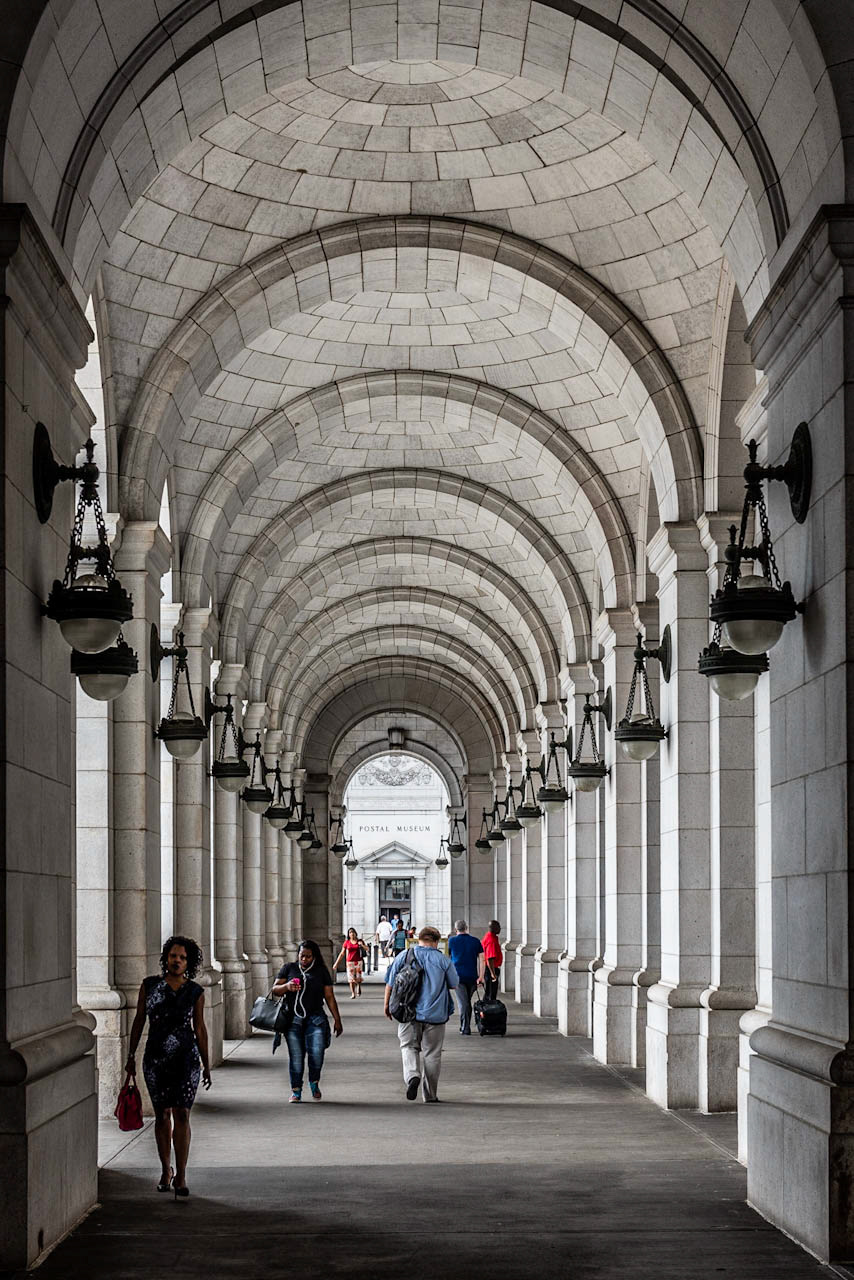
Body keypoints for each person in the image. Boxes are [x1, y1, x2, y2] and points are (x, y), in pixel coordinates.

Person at [124, 935, 211, 1199]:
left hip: (186, 1059)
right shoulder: (150, 986)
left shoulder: (195, 992)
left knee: (182, 1113)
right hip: (156, 1058)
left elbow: (200, 1029)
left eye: (183, 957)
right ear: (166, 957)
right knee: (162, 1114)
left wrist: (206, 1064)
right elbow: (139, 1021)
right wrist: (130, 1056)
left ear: (189, 963)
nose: (177, 961)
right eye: (173, 955)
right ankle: (165, 1170)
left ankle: (182, 1174)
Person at [384, 925, 458, 1103]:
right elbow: (454, 983)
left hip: (408, 1011)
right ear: (435, 941)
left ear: (419, 939)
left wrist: (386, 1004)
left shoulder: (405, 955)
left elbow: (390, 981)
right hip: (435, 1014)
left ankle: (412, 1076)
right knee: (432, 1054)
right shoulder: (443, 960)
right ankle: (430, 1095)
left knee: (408, 1046)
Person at [272, 939, 343, 1101]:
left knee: (316, 1054)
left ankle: (314, 1082)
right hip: (293, 1020)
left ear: (314, 957)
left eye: (308, 957)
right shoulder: (288, 968)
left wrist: (337, 1020)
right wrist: (287, 987)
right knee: (296, 1056)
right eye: (301, 956)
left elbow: (329, 997)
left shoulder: (321, 971)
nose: (304, 960)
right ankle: (296, 1090)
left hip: (315, 1019)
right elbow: (275, 989)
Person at [447, 919, 484, 1036]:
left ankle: (465, 1027)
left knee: (464, 1003)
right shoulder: (475, 941)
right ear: (466, 928)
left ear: (455, 929)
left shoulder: (451, 941)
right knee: (466, 1001)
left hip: (458, 977)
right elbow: (482, 960)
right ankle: (465, 1025)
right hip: (472, 977)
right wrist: (481, 977)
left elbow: (447, 960)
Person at [333, 927, 364, 998]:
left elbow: (367, 949)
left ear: (355, 933)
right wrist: (336, 963)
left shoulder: (360, 941)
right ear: (348, 934)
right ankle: (353, 993)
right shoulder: (347, 942)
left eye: (353, 932)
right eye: (350, 932)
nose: (352, 934)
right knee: (351, 978)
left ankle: (358, 985)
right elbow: (342, 953)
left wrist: (361, 945)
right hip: (350, 962)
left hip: (359, 961)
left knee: (358, 977)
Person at [481, 919, 503, 1001]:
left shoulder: (488, 936)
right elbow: (490, 959)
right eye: (498, 927)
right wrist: (493, 974)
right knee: (491, 994)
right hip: (491, 969)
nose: (500, 929)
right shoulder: (491, 940)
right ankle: (488, 1011)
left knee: (488, 992)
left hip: (489, 969)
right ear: (493, 928)